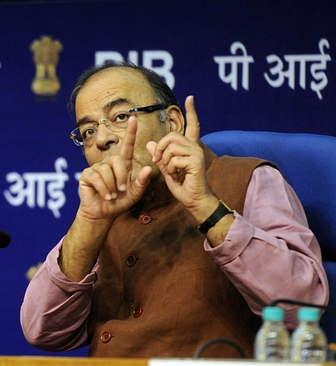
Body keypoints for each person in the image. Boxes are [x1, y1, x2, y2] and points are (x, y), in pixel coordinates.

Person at [20, 61, 328, 358]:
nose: (101, 138)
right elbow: (42, 331)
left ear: (173, 121)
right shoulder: (103, 211)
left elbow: (303, 307)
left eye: (121, 116)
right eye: (87, 131)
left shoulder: (250, 179)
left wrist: (205, 206)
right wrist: (89, 221)